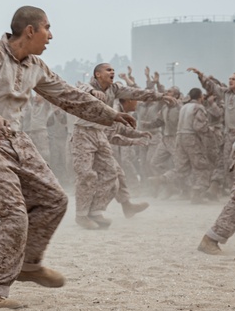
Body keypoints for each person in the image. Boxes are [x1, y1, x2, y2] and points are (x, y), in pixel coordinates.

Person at [0, 7, 134, 310]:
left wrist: (111, 115)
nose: (50, 36)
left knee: (55, 199)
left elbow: (69, 96)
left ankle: (28, 263)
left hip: (15, 138)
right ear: (30, 30)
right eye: (47, 28)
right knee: (14, 214)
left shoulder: (36, 66)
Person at [71, 63, 169, 228]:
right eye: (108, 70)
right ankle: (81, 215)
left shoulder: (114, 89)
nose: (112, 72)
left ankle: (96, 211)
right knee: (86, 175)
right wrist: (92, 92)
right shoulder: (87, 86)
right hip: (83, 133)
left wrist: (160, 96)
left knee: (111, 173)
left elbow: (136, 92)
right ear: (97, 74)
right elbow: (79, 87)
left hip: (100, 134)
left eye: (113, 70)